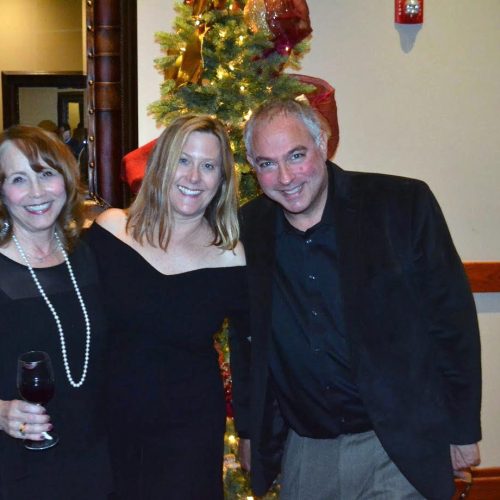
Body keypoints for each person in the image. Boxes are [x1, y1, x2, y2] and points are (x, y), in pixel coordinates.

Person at [236, 99, 481, 500]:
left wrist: (462, 429)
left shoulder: (401, 205)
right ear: (252, 165)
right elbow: (247, 342)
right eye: (267, 163)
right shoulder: (249, 229)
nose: (284, 177)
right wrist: (249, 430)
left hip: (397, 442)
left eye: (296, 156)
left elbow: (452, 323)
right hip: (308, 445)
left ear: (323, 144)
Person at [84, 114, 248, 499]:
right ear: (161, 166)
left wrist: (251, 431)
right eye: (183, 160)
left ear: (222, 180)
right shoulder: (111, 230)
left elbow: (251, 348)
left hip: (187, 436)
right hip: (107, 424)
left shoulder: (230, 257)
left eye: (209, 166)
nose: (194, 177)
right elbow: (67, 314)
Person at [0, 125, 112, 499]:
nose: (35, 192)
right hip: (17, 469)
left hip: (95, 462)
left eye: (46, 173)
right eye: (18, 178)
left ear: (65, 178)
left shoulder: (90, 254)